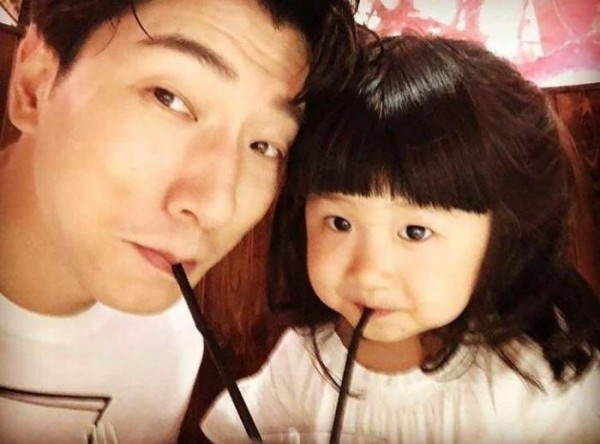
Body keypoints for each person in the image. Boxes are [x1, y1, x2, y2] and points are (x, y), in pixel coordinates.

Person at [200, 34, 600, 443]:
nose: (368, 271)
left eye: (414, 232)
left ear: (504, 234)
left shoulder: (532, 381)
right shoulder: (306, 358)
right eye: (339, 223)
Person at [0, 0, 362, 442]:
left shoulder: (170, 340)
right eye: (168, 99)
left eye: (265, 145)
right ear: (35, 84)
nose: (217, 206)